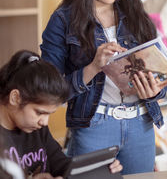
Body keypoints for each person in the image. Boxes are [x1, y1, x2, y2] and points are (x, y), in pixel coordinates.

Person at [40, 0, 167, 175]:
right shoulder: (63, 20)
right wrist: (93, 67)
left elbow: (162, 79)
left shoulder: (138, 18)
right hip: (94, 126)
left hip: (140, 124)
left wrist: (155, 90)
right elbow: (50, 91)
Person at [0, 50, 122, 179]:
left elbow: (62, 166)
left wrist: (99, 168)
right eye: (40, 112)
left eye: (49, 114)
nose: (44, 122)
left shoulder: (36, 127)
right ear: (15, 98)